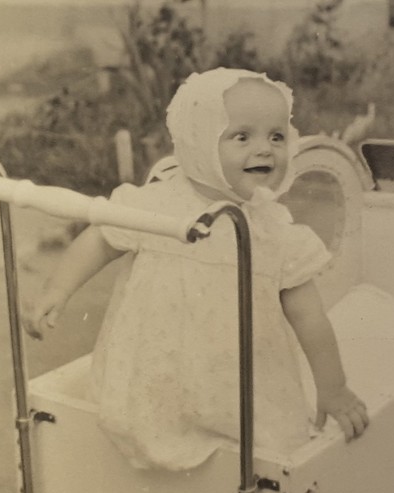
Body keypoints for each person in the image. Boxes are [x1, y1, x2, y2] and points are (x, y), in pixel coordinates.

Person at [23, 68, 368, 470]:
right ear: (199, 142)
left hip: (235, 383)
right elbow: (100, 238)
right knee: (141, 421)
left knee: (253, 453)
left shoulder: (272, 232)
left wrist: (334, 386)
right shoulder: (155, 206)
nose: (265, 150)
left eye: (276, 136)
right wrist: (57, 289)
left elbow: (310, 317)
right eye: (242, 136)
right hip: (156, 370)